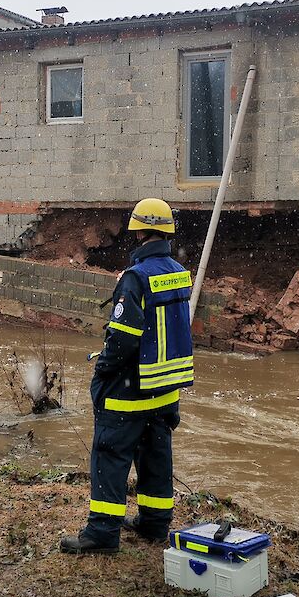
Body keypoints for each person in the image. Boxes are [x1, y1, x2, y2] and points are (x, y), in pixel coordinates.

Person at [60, 198, 195, 555]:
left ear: (138, 232)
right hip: (165, 390)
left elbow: (121, 338)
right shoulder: (179, 272)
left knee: (109, 455)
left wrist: (102, 370)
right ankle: (154, 524)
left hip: (130, 390)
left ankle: (102, 534)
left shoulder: (136, 278)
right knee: (155, 458)